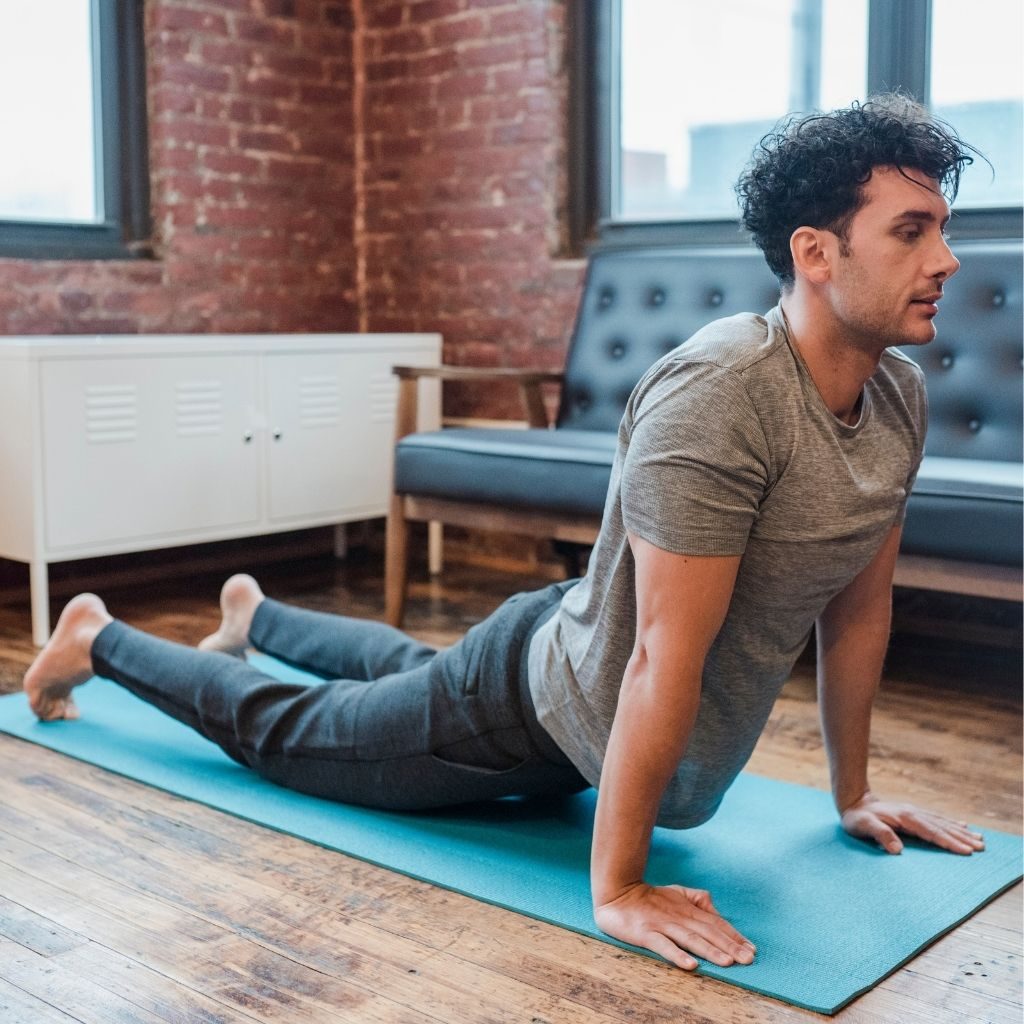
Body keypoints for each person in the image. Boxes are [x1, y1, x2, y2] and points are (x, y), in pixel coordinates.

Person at [24, 94, 986, 974]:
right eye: (912, 231)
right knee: (297, 736)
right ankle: (98, 638)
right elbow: (658, 654)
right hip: (528, 713)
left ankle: (258, 613)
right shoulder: (725, 394)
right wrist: (615, 889)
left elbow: (858, 616)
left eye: (942, 229)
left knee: (403, 674)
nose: (945, 259)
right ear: (817, 253)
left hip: (558, 659)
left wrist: (851, 794)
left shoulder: (896, 397)